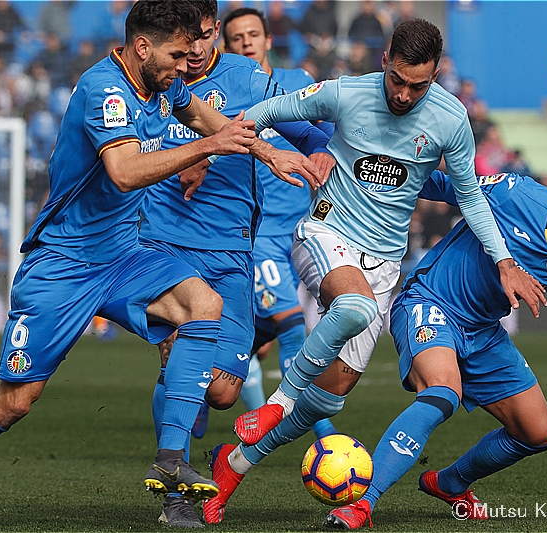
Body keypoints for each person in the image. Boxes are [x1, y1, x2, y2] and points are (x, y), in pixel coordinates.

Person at [202, 18, 546, 523]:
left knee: (326, 400)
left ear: (434, 77)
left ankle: (231, 466)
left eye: (419, 86)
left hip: (384, 264)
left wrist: (505, 261)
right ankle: (276, 401)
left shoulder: (450, 120)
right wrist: (217, 152)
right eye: (398, 80)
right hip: (325, 233)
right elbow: (266, 111)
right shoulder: (345, 94)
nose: (405, 95)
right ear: (385, 59)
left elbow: (468, 195)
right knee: (355, 307)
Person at [0, 0, 272, 505]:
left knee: (203, 306)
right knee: (14, 403)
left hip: (125, 254)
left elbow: (204, 117)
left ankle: (172, 459)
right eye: (176, 54)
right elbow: (125, 172)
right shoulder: (103, 89)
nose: (185, 64)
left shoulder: (162, 82)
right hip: (64, 264)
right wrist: (206, 149)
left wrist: (267, 151)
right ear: (143, 46)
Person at [326, 172, 547, 529]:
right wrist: (384, 174)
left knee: (538, 432)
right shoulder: (514, 194)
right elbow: (447, 184)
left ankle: (449, 483)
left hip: (483, 331)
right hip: (431, 301)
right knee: (443, 393)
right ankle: (363, 502)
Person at [139, 1, 331, 526]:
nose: (195, 50)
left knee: (224, 389)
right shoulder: (155, 78)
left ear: (215, 33)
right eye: (186, 40)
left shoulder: (249, 78)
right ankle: (173, 490)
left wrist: (325, 150)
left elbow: (298, 127)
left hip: (232, 251)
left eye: (204, 37)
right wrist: (193, 154)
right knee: (188, 349)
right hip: (166, 246)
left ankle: (182, 401)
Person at [221, 6, 338, 442]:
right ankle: (320, 434)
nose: (247, 42)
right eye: (237, 38)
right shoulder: (226, 92)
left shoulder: (298, 85)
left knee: (258, 336)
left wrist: (325, 151)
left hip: (307, 229)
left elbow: (327, 133)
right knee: (291, 322)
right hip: (256, 235)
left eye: (254, 34)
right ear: (226, 46)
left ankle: (190, 389)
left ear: (269, 40)